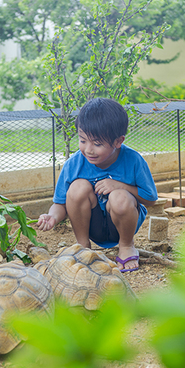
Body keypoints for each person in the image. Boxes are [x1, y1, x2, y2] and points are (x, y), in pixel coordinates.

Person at [36, 98, 158, 272]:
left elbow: (150, 199)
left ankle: (126, 246)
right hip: (91, 224)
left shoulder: (133, 160)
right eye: (83, 140)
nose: (88, 149)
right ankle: (83, 246)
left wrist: (119, 186)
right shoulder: (74, 163)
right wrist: (53, 217)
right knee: (78, 187)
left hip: (123, 224)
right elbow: (61, 203)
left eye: (97, 143)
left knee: (119, 196)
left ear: (118, 141)